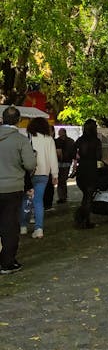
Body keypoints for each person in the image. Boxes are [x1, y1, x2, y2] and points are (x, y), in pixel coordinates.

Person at [0, 106, 37, 273]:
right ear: (18, 120)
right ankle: (7, 262)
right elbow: (30, 164)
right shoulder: (21, 140)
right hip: (12, 187)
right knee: (9, 225)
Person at [20, 117, 58, 239]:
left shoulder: (27, 138)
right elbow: (53, 158)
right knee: (38, 201)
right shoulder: (49, 139)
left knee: (25, 200)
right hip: (43, 174)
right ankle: (39, 228)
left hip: (28, 174)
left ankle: (23, 226)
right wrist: (55, 174)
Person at [71, 118, 102, 229]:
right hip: (91, 169)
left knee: (85, 195)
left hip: (81, 169)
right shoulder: (96, 141)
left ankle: (82, 218)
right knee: (89, 196)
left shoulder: (80, 140)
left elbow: (73, 152)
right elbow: (99, 158)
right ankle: (84, 220)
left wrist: (78, 158)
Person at [54, 128, 76, 204]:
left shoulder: (57, 141)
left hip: (60, 162)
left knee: (61, 181)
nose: (59, 134)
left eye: (60, 133)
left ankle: (62, 197)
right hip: (67, 162)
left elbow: (58, 153)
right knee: (63, 180)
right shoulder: (71, 141)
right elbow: (74, 153)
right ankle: (63, 196)